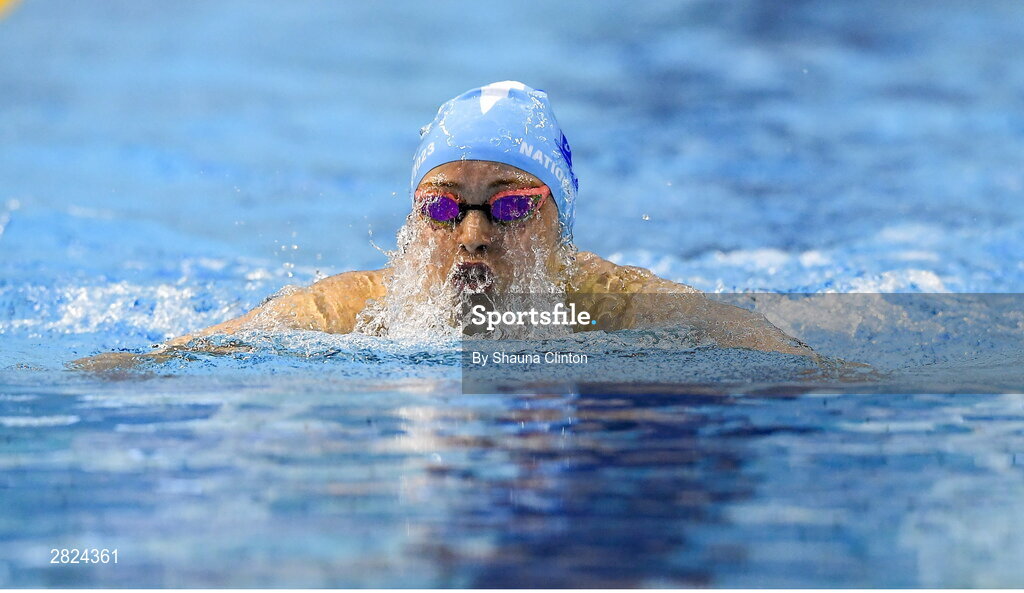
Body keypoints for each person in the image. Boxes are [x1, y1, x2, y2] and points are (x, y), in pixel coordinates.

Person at [74, 81, 812, 371]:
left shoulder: (607, 304)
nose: (474, 235)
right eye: (443, 205)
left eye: (513, 204)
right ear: (411, 220)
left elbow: (756, 338)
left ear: (560, 227)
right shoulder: (357, 308)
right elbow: (184, 352)